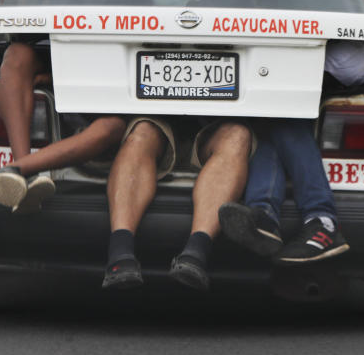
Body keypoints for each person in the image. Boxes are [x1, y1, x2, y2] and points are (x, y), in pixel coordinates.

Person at [218, 40, 364, 264]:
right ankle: (263, 216)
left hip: (330, 64)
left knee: (282, 116)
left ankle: (323, 221)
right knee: (265, 122)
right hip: (279, 62)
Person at [0, 41, 127, 212]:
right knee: (18, 52)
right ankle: (24, 179)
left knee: (112, 126)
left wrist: (58, 79)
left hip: (118, 100)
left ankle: (13, 171)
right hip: (70, 63)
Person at [102, 117, 253, 292]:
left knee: (237, 135)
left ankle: (195, 254)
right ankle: (120, 254)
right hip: (157, 123)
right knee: (142, 133)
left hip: (216, 128)